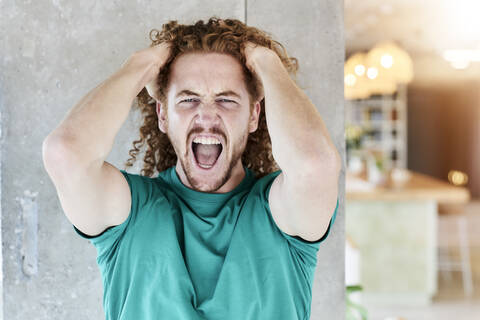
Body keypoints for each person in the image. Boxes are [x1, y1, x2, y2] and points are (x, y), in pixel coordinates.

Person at [42, 17, 341, 320]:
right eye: (188, 99)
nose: (207, 115)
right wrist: (143, 64)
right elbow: (66, 153)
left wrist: (266, 61)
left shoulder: (279, 214)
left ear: (254, 116)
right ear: (162, 115)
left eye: (226, 99)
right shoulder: (131, 212)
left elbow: (314, 165)